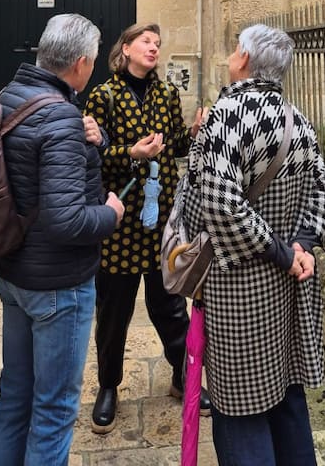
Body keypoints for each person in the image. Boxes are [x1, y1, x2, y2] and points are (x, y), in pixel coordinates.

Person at [182, 23, 325, 466]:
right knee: (287, 398)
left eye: (235, 49)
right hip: (288, 289)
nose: (231, 56)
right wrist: (302, 245)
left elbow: (220, 204)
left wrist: (285, 255)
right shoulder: (295, 118)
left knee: (240, 408)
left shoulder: (227, 116)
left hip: (238, 291)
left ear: (245, 59)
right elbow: (323, 189)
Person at [0, 13, 125, 466]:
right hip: (57, 285)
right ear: (81, 63)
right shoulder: (62, 115)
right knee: (54, 410)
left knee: (15, 397)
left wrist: (97, 140)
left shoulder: (8, 97)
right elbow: (68, 222)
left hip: (12, 271)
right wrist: (111, 213)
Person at [84, 22, 210, 433]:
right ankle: (108, 386)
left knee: (170, 306)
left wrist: (193, 133)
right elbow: (93, 156)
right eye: (145, 41)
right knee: (114, 311)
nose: (153, 47)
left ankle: (182, 374)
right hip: (120, 220)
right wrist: (131, 153)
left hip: (161, 220)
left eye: (157, 43)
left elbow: (177, 148)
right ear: (125, 48)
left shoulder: (167, 93)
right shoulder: (103, 96)